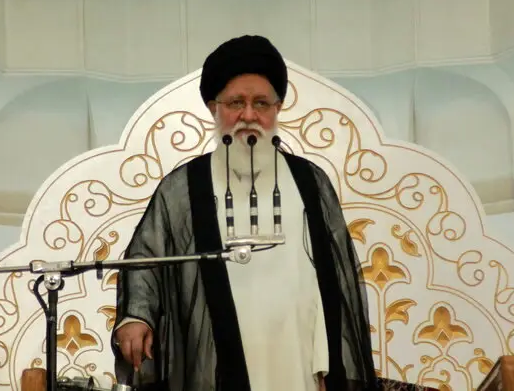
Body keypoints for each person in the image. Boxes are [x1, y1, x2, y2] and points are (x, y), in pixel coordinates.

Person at [113, 35, 378, 391]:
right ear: (214, 108)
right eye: (236, 102)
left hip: (297, 354)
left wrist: (327, 362)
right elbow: (147, 258)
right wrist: (136, 316)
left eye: (261, 103)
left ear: (278, 108)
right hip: (215, 362)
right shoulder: (185, 187)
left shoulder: (309, 180)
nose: (249, 115)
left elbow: (335, 281)